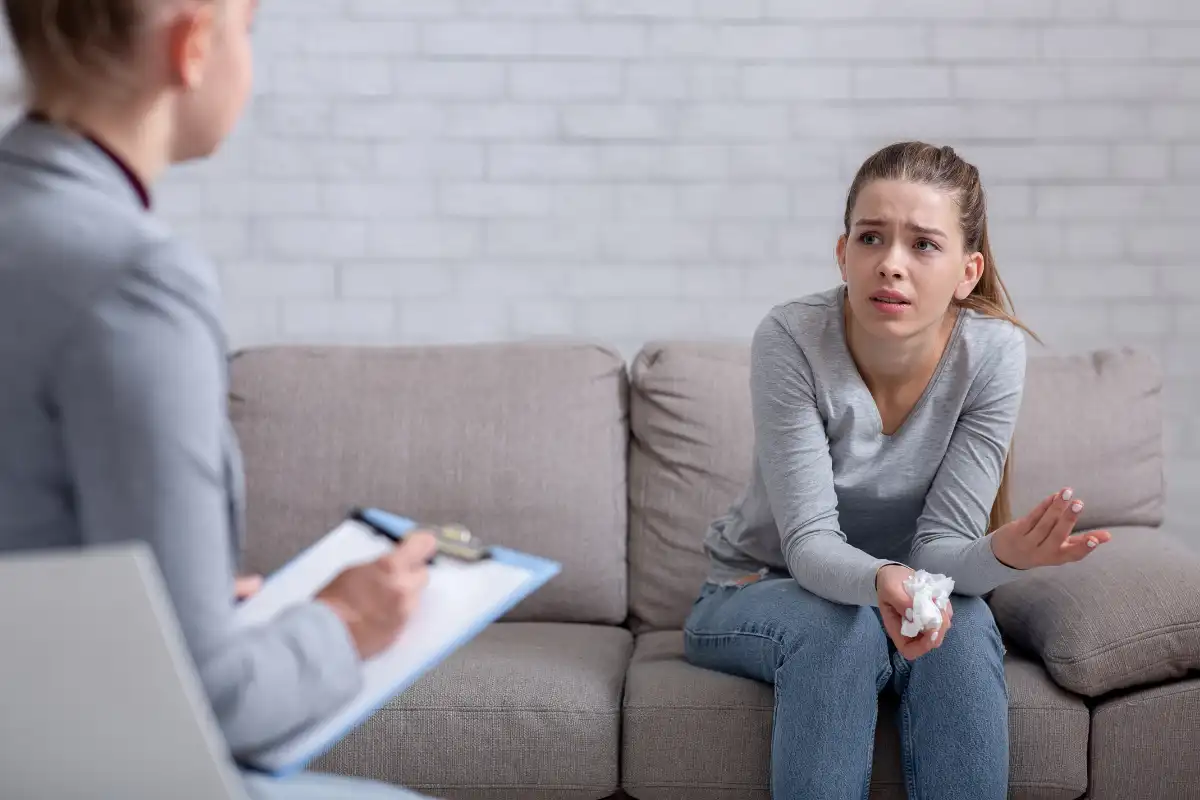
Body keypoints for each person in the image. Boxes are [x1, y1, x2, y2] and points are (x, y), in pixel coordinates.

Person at [0, 1, 440, 798]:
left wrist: (176, 599)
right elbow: (215, 698)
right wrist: (345, 624)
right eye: (250, 30)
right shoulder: (132, 280)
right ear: (193, 44)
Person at [683, 141, 1113, 800]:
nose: (890, 264)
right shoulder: (792, 338)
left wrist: (1004, 553)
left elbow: (942, 551)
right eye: (871, 238)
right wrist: (889, 580)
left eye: (923, 245)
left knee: (964, 626)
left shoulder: (992, 353)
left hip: (911, 591)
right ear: (842, 253)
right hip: (756, 586)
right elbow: (807, 546)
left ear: (968, 271)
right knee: (841, 626)